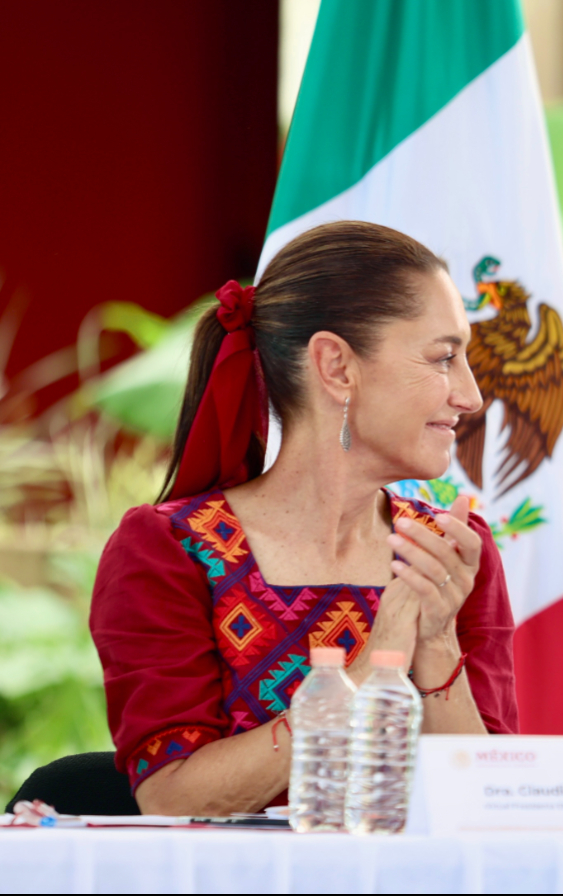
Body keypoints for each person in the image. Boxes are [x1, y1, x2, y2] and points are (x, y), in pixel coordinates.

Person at [90, 221, 517, 816]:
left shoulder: (449, 550)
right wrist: (369, 669)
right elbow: (172, 796)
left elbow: (490, 808)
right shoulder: (169, 548)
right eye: (444, 358)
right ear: (337, 367)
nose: (470, 395)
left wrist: (437, 639)